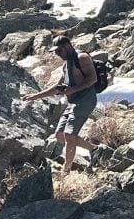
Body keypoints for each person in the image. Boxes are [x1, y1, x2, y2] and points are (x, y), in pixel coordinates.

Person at [22, 34, 99, 174]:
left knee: (69, 135)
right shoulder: (66, 66)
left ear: (68, 46)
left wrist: (73, 89)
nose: (57, 54)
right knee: (59, 135)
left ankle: (66, 171)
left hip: (86, 100)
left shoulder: (82, 58)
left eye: (59, 51)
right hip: (73, 102)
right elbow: (57, 88)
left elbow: (93, 78)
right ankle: (94, 149)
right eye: (56, 52)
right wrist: (35, 96)